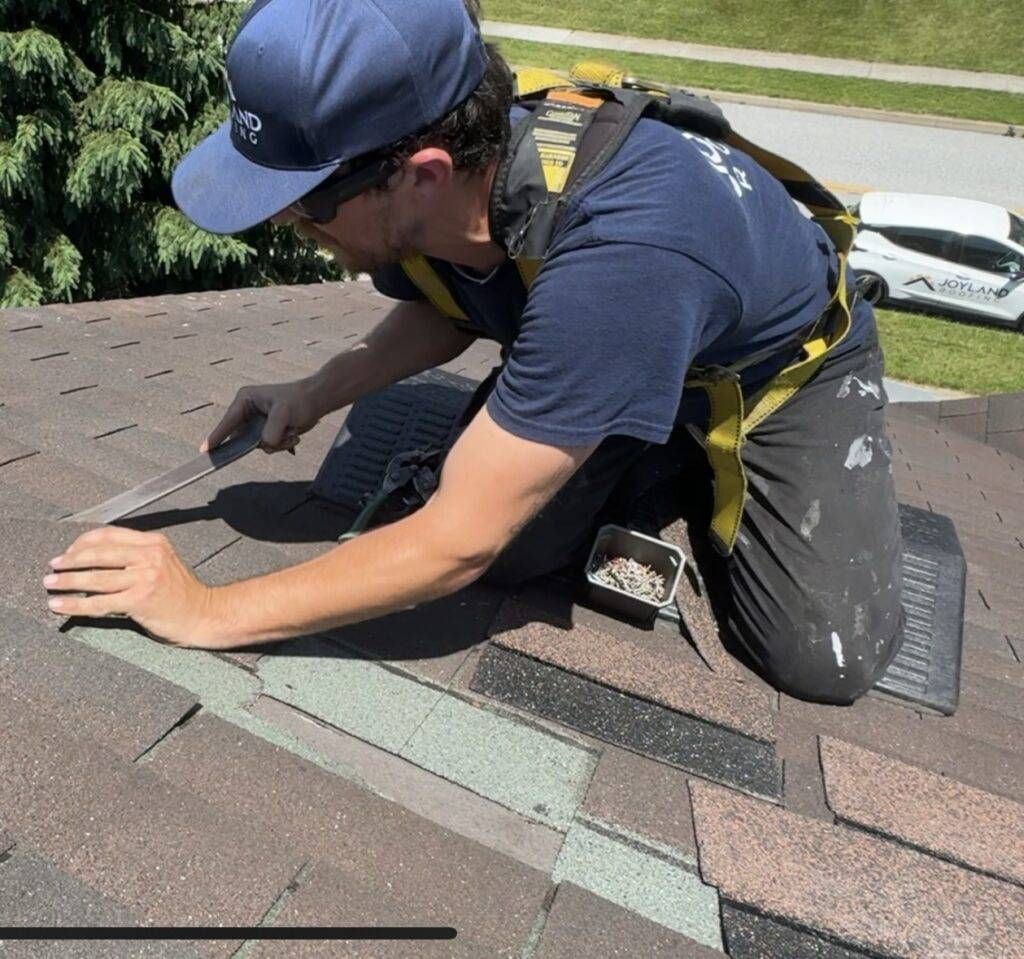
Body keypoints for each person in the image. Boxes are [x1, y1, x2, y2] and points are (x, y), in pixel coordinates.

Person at [45, 0, 904, 704]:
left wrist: (206, 608)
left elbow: (453, 541)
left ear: (420, 173)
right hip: (627, 329)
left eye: (303, 205)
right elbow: (452, 303)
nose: (283, 225)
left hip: (779, 368)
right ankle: (627, 415)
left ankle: (664, 431)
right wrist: (314, 391)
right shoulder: (460, 164)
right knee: (524, 552)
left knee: (817, 657)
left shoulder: (621, 261)